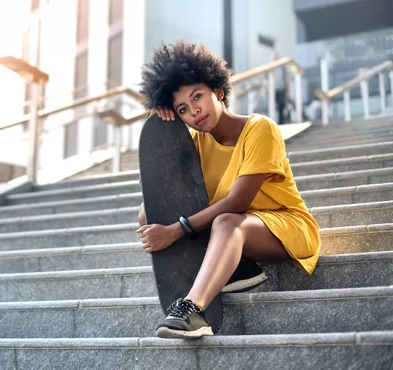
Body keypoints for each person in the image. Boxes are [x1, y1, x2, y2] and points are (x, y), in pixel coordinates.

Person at [136, 41, 321, 339]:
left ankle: (194, 311)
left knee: (226, 219)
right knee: (147, 213)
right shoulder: (196, 145)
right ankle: (239, 269)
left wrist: (174, 231)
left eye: (198, 96)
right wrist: (161, 121)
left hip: (286, 227)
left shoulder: (261, 129)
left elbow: (239, 201)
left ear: (218, 91)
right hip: (235, 230)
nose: (194, 110)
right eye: (182, 109)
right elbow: (158, 198)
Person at [272, 51, 290, 124]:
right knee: (273, 106)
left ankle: (281, 122)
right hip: (273, 91)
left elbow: (286, 79)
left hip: (281, 89)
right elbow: (265, 80)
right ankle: (273, 122)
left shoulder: (282, 68)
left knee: (281, 105)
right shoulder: (269, 68)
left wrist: (288, 91)